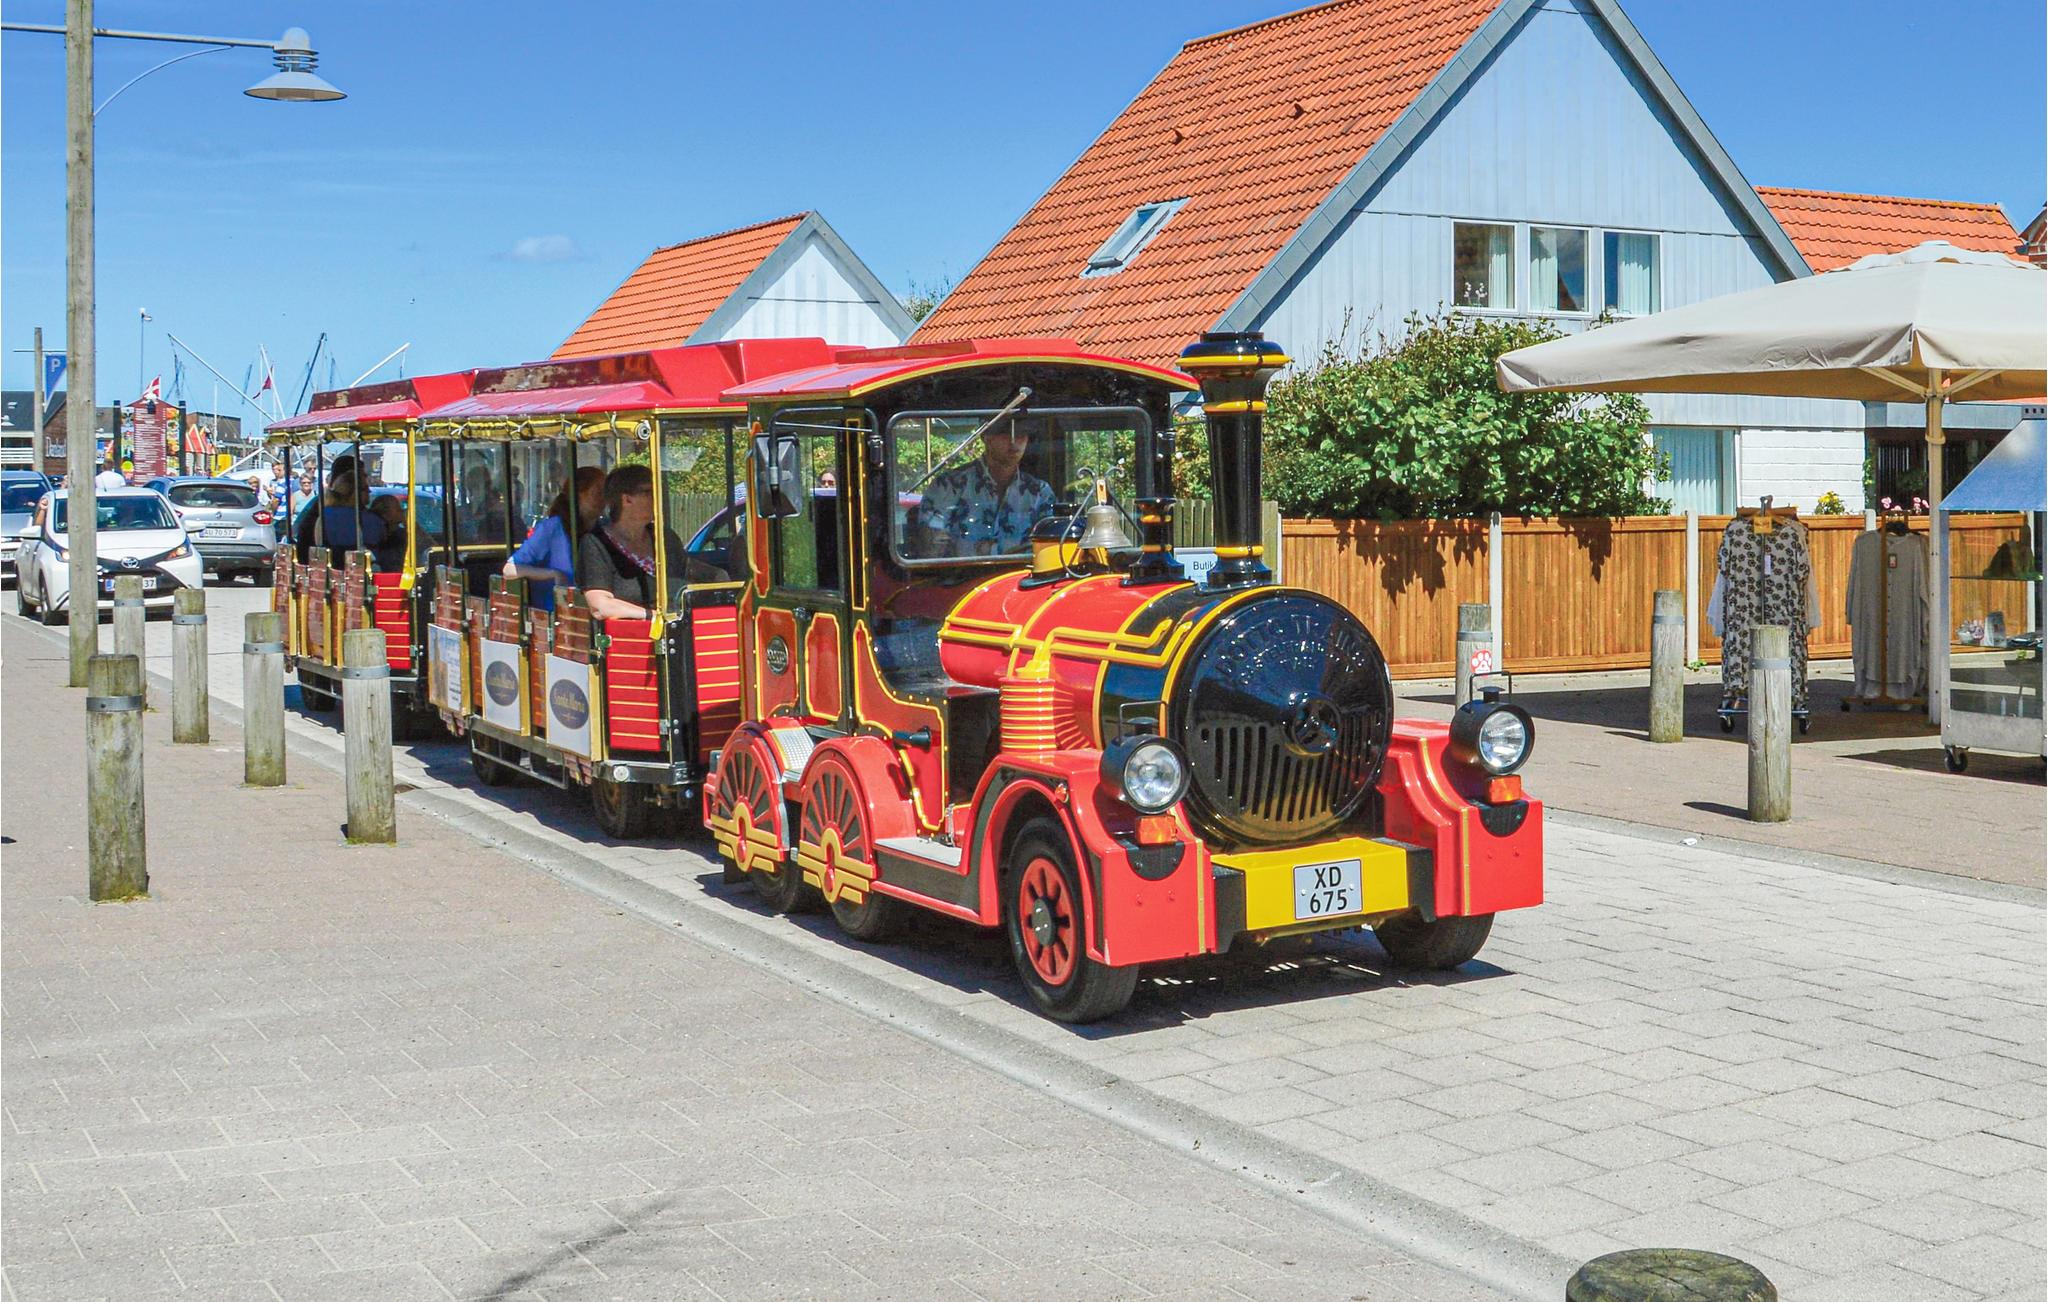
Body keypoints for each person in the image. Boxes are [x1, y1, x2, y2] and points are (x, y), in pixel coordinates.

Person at [910, 421, 1055, 558]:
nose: (1014, 442)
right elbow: (930, 553)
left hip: (1022, 575)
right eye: (1005, 433)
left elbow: (1050, 552)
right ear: (986, 436)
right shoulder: (948, 486)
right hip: (960, 575)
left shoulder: (1040, 493)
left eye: (1021, 434)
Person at [575, 464, 689, 622]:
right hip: (629, 635)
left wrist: (718, 577)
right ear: (627, 499)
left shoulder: (666, 538)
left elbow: (688, 577)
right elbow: (600, 606)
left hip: (679, 631)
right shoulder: (595, 544)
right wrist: (654, 617)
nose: (657, 498)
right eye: (649, 492)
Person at [503, 466, 605, 611]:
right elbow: (510, 569)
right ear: (578, 495)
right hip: (556, 614)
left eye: (605, 493)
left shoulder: (603, 529)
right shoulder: (553, 528)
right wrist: (552, 574)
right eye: (597, 493)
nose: (603, 499)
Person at [368, 495, 408, 572]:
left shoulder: (404, 534)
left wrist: (408, 524)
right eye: (398, 509)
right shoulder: (376, 537)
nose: (402, 511)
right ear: (385, 514)